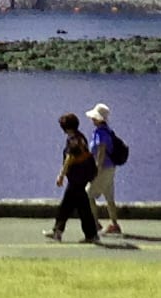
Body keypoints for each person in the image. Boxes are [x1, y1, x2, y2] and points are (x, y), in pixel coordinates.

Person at [43, 113, 100, 245]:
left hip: (77, 178)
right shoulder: (81, 137)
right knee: (82, 206)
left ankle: (58, 232)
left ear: (66, 128)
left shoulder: (73, 140)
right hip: (84, 176)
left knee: (67, 206)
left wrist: (61, 175)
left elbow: (70, 158)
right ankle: (91, 234)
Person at [85, 103, 127, 237]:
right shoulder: (108, 131)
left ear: (98, 119)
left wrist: (96, 169)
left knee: (88, 194)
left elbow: (101, 152)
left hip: (102, 169)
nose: (92, 120)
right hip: (111, 168)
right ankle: (114, 224)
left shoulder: (99, 133)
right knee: (109, 196)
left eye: (94, 117)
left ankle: (95, 223)